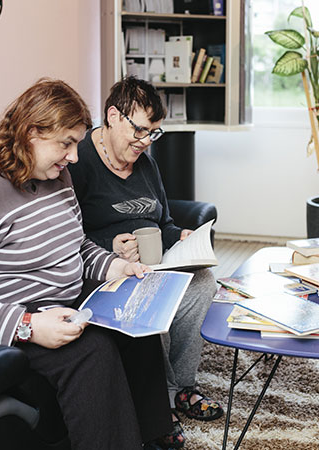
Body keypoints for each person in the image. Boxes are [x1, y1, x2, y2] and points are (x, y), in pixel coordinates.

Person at [0, 78, 172, 450]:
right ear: (31, 132)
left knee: (135, 317)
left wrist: (114, 268)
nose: (74, 158)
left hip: (46, 302)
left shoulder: (52, 173)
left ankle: (152, 436)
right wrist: (28, 326)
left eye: (77, 143)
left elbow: (73, 244)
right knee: (90, 350)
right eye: (66, 143)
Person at [69, 77, 224, 448]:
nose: (144, 141)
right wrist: (110, 246)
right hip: (109, 270)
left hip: (154, 261)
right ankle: (163, 401)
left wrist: (181, 237)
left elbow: (164, 223)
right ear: (112, 116)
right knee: (156, 294)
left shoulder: (145, 164)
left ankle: (182, 386)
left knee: (202, 283)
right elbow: (66, 238)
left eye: (153, 133)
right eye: (139, 130)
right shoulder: (77, 163)